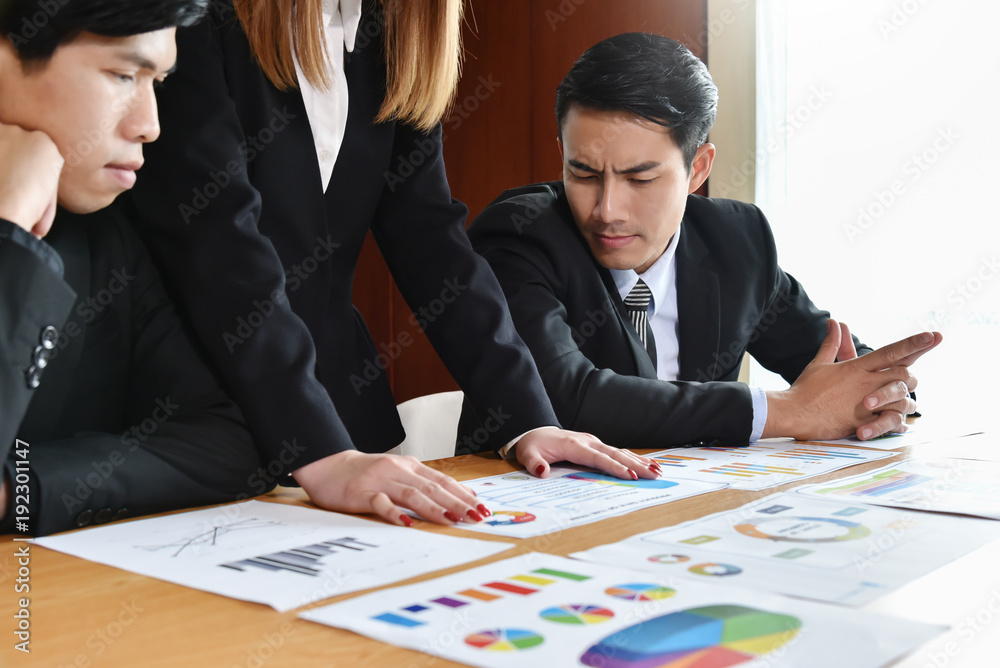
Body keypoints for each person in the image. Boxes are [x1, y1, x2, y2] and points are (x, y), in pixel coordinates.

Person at [124, 0, 660, 530]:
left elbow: (432, 241)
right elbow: (219, 244)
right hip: (196, 419)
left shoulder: (391, 35)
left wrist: (528, 420)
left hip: (347, 426)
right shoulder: (202, 19)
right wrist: (320, 450)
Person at [457, 33, 941, 452]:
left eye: (639, 179)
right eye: (582, 173)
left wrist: (880, 396)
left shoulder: (738, 241)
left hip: (693, 510)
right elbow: (564, 401)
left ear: (698, 170)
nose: (606, 210)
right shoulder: (517, 236)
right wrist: (788, 411)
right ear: (562, 153)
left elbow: (843, 372)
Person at [0, 0, 271, 536]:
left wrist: (19, 489)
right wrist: (9, 226)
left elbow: (227, 444)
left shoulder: (105, 237)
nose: (150, 125)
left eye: (157, 83)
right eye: (124, 75)